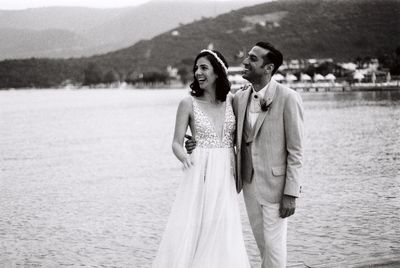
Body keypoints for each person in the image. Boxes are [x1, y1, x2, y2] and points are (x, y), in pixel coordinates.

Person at [186, 42, 304, 268]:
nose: (245, 62)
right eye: (247, 56)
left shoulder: (289, 98)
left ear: (268, 68)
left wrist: (291, 192)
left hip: (277, 187)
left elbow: (296, 151)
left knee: (275, 247)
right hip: (248, 185)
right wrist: (195, 142)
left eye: (253, 58)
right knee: (263, 245)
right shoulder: (238, 99)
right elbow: (221, 129)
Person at [152, 49, 250, 268]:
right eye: (196, 68)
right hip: (198, 171)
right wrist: (184, 157)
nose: (198, 72)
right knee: (195, 227)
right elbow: (176, 142)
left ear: (218, 72)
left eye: (204, 67)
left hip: (226, 173)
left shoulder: (232, 101)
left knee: (223, 228)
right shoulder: (187, 103)